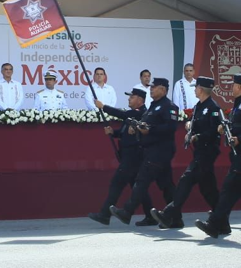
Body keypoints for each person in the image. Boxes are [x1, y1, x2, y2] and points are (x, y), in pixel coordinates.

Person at [193, 74, 241, 238]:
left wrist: (240, 138)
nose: (231, 88)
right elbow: (239, 124)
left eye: (233, 85)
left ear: (240, 87)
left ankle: (216, 223)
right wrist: (226, 128)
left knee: (230, 187)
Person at [152, 76, 221, 229]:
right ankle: (222, 221)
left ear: (201, 89)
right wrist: (190, 125)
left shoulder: (213, 108)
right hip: (199, 151)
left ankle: (168, 213)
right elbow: (193, 122)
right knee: (208, 190)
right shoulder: (198, 106)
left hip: (207, 151)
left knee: (186, 180)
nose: (195, 90)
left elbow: (214, 132)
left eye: (196, 87)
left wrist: (198, 136)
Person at [110, 78, 178, 224]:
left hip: (160, 150)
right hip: (152, 150)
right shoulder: (153, 106)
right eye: (151, 87)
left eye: (154, 87)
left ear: (163, 89)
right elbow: (146, 125)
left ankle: (127, 212)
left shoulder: (169, 106)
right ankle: (176, 218)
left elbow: (170, 128)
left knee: (142, 180)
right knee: (167, 185)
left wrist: (149, 129)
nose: (151, 89)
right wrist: (138, 128)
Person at [88, 88, 156, 226]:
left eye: (132, 97)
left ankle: (104, 214)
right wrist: (114, 132)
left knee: (117, 183)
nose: (129, 99)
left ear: (140, 100)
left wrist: (104, 107)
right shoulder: (132, 115)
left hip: (133, 155)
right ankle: (150, 215)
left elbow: (123, 114)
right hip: (129, 154)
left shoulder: (141, 113)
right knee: (137, 187)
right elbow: (125, 131)